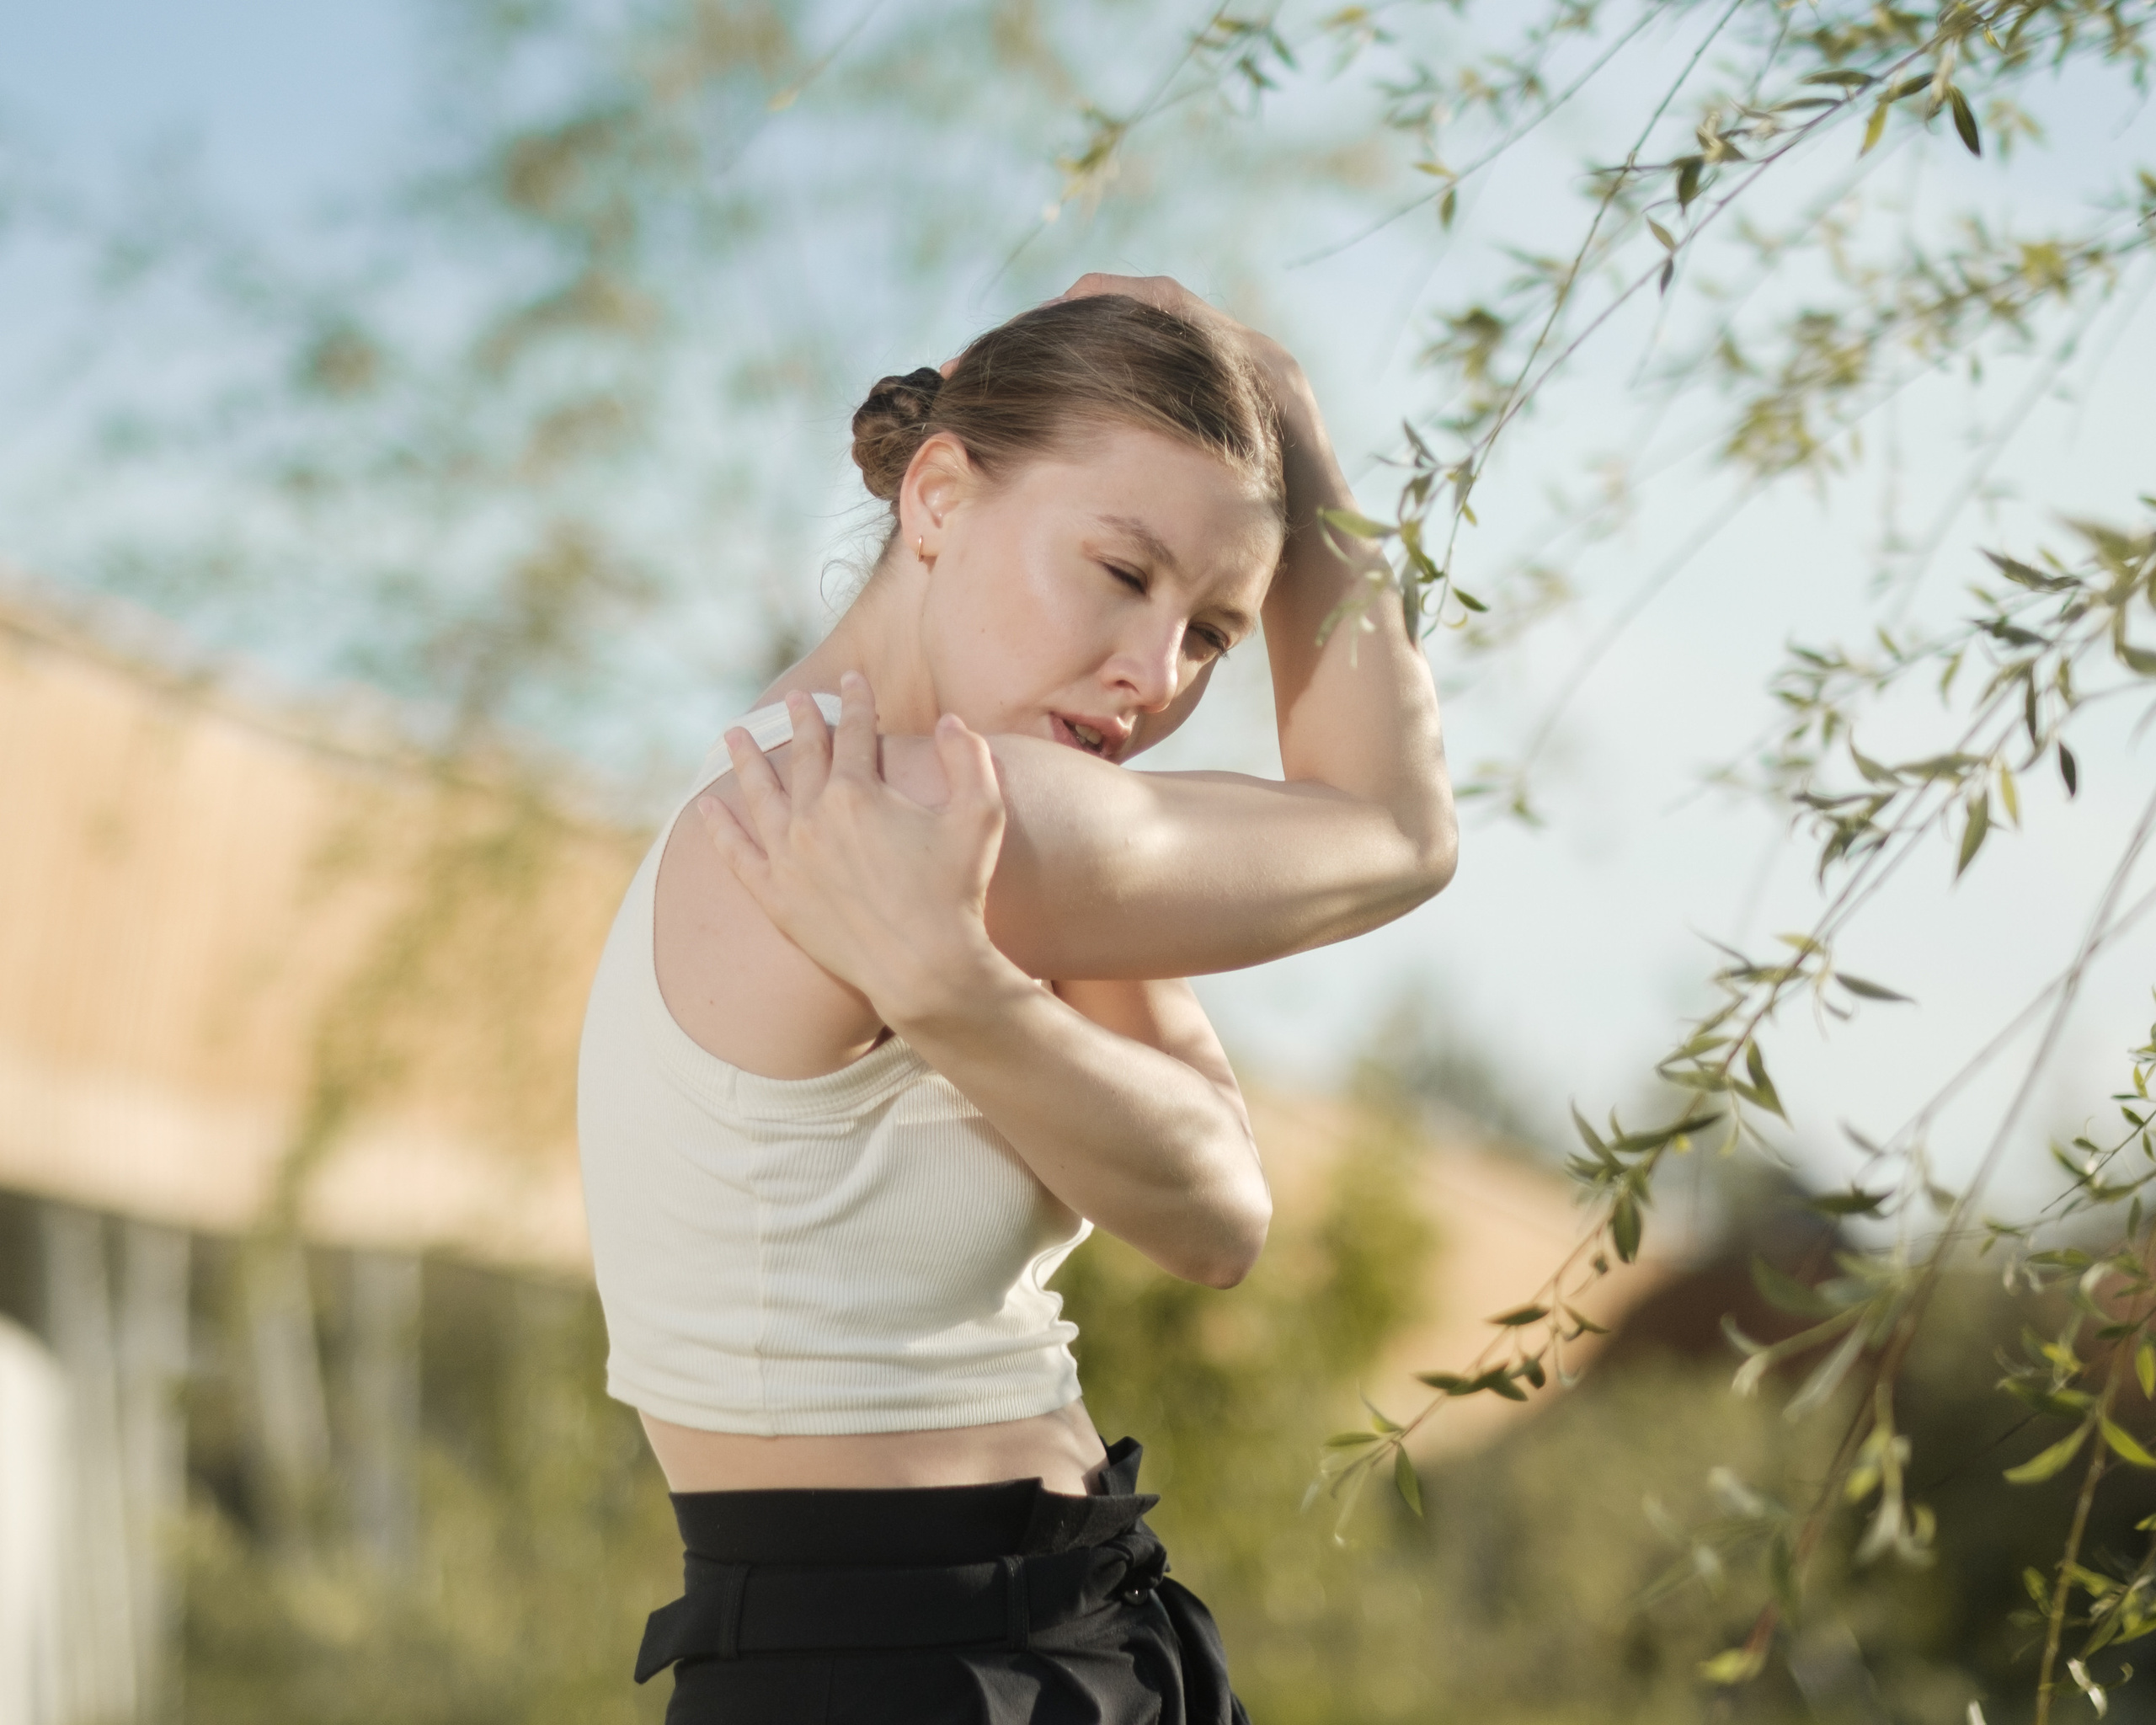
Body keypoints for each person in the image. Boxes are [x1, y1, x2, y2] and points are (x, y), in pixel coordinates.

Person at [578, 272, 1454, 1722]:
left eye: (1214, 633)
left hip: (1026, 1639)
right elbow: (1397, 828)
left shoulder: (936, 828)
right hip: (909, 1678)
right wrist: (1288, 408)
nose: (1153, 677)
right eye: (1122, 573)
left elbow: (1219, 1215)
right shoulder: (921, 809)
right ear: (937, 499)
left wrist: (962, 996)